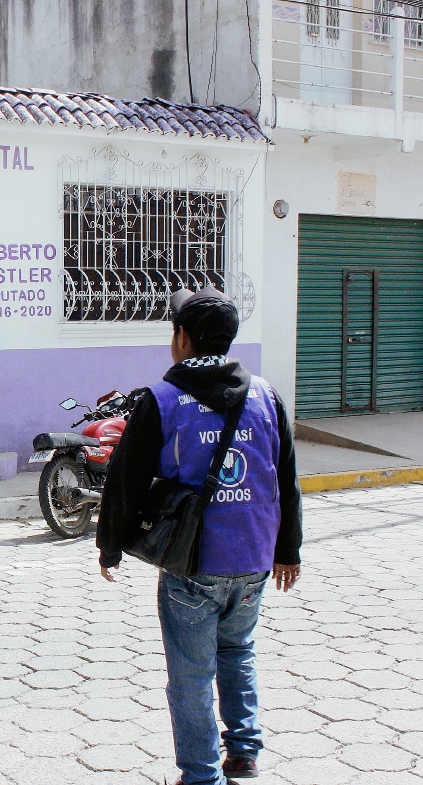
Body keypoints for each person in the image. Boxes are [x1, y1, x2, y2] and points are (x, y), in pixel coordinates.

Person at [96, 285, 303, 785]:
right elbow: (286, 479)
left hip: (192, 565)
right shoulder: (266, 395)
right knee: (237, 651)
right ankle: (244, 754)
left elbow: (125, 478)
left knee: (191, 674)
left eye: (175, 330)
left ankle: (201, 775)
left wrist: (111, 546)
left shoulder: (162, 400)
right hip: (254, 559)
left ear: (183, 339)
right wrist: (288, 551)